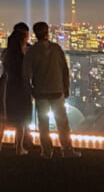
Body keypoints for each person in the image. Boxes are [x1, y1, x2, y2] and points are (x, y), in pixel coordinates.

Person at [23, 21, 81, 159]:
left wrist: (30, 90)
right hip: (57, 90)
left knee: (43, 123)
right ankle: (66, 149)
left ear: (35, 34)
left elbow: (26, 74)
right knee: (62, 122)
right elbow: (64, 69)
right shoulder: (56, 49)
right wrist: (66, 87)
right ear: (47, 33)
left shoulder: (32, 51)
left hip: (40, 92)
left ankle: (46, 151)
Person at [0, 25, 32, 155]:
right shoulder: (25, 53)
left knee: (3, 113)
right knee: (20, 116)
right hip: (20, 85)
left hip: (6, 84)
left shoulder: (7, 52)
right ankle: (19, 147)